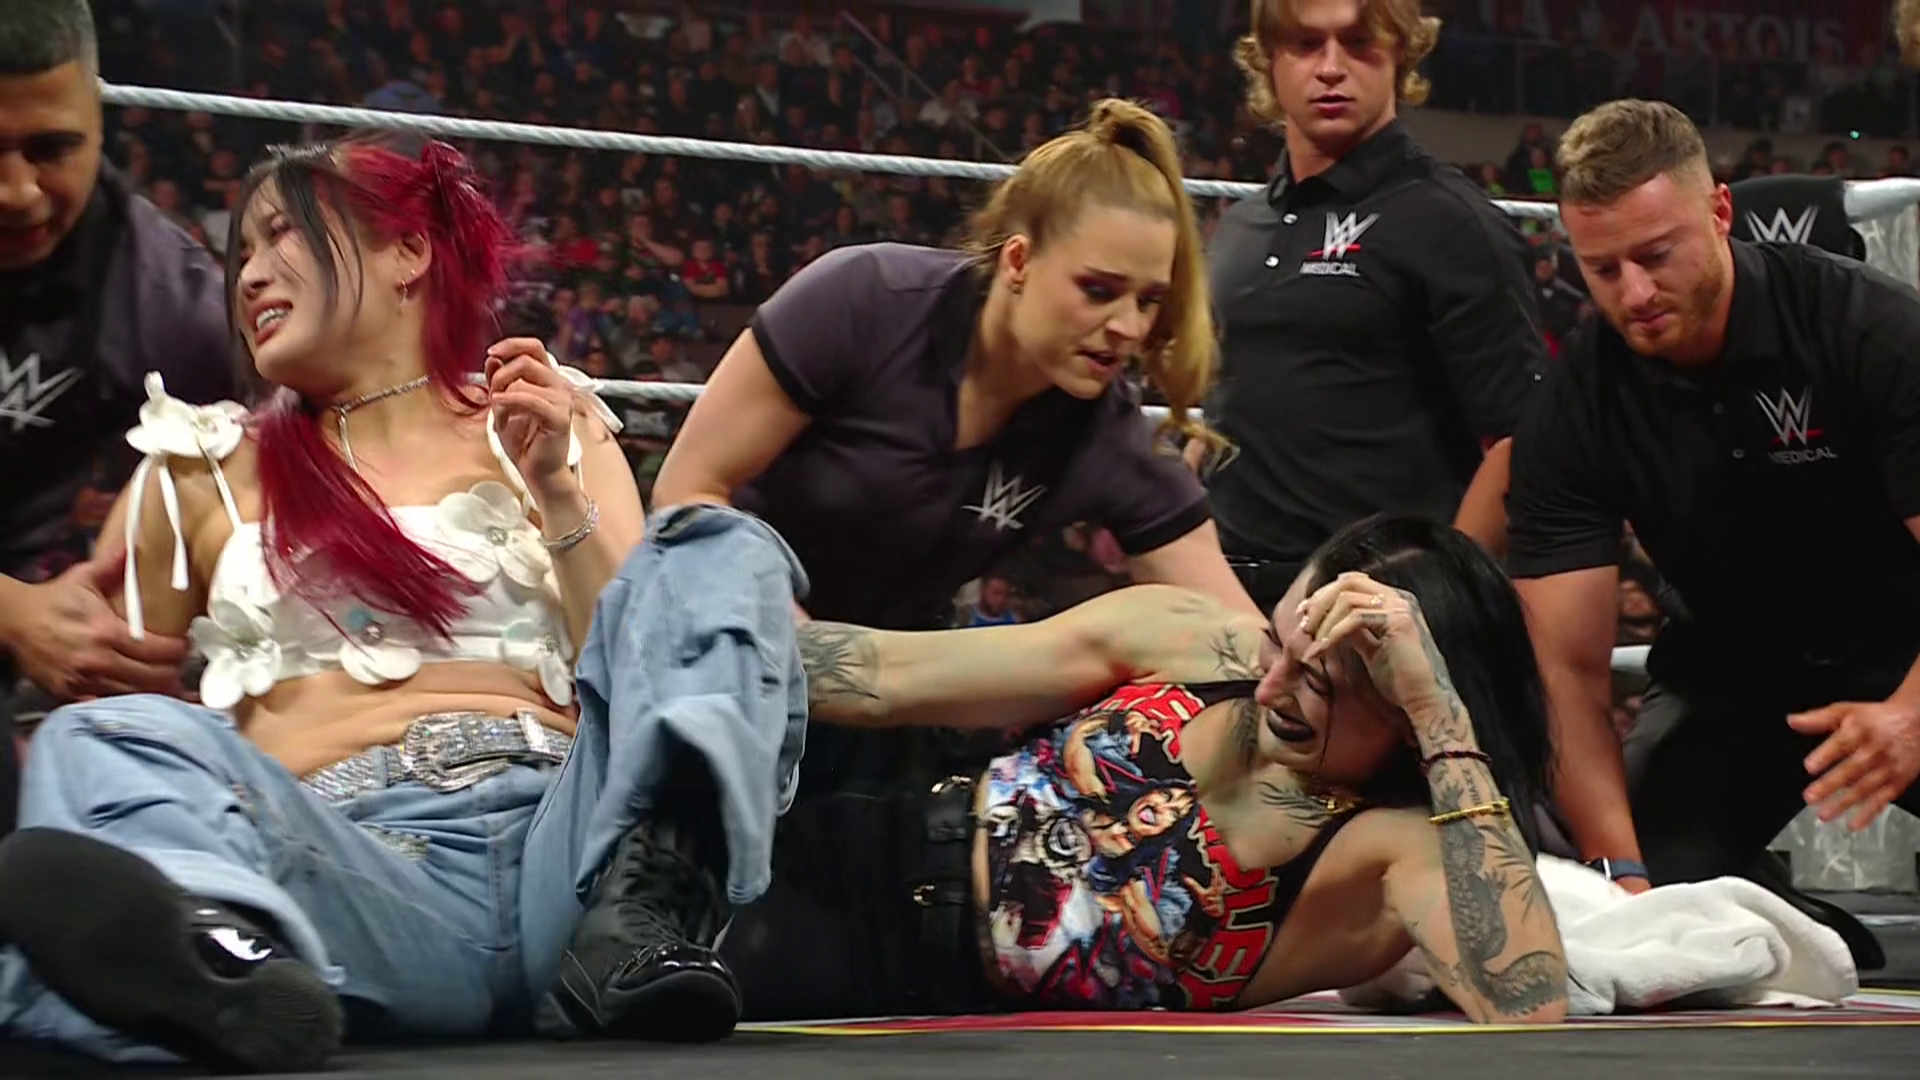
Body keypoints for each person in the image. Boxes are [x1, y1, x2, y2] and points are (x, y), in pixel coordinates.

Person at [0, 133, 797, 1071]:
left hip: (581, 866)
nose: (248, 273)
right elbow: (106, 698)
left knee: (722, 549)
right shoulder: (198, 469)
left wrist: (556, 492)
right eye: (240, 253)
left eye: (281, 235)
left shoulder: (547, 424)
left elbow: (645, 671)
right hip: (356, 881)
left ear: (408, 252)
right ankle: (226, 966)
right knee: (93, 740)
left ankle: (644, 921)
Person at [710, 513, 1566, 1025]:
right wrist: (700, 649)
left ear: (1410, 715)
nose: (1273, 685)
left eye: (1319, 685)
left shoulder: (1396, 849)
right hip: (854, 838)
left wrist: (1440, 713)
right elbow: (888, 676)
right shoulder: (1194, 639)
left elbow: (1527, 1005)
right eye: (1278, 642)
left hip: (907, 987)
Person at [651, 98, 1258, 791]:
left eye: (1147, 301)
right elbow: (687, 488)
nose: (1127, 327)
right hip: (718, 663)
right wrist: (781, 642)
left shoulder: (1102, 428)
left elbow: (1232, 630)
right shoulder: (863, 299)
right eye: (1098, 290)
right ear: (1019, 260)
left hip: (881, 716)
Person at [1505, 99, 1920, 964]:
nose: (1635, 294)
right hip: (1732, 673)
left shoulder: (1867, 329)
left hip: (1905, 653)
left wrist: (1911, 713)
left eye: (1657, 256)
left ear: (1720, 210)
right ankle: (1796, 923)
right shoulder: (1577, 401)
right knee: (1644, 888)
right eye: (1603, 269)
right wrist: (1623, 880)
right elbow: (1569, 669)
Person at [1197, 0, 1545, 611]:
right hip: (1226, 597)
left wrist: (1437, 601)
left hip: (1371, 605)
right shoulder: (1241, 227)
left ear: (1400, 53)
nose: (1331, 67)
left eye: (1359, 43)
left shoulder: (1450, 221)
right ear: (1269, 59)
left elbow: (1523, 442)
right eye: (1306, 44)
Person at [0, 0, 241, 718]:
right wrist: (12, 613)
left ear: (99, 116)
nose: (17, 194)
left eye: (52, 148)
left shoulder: (170, 303)